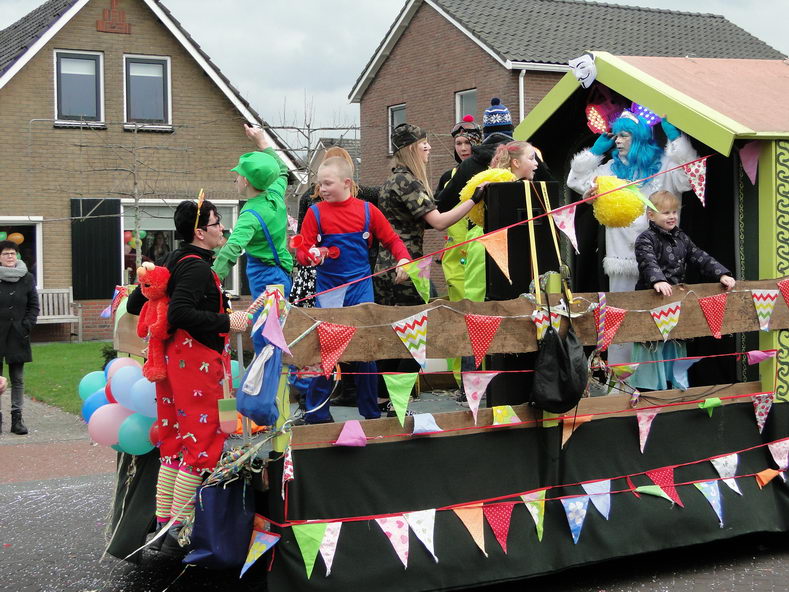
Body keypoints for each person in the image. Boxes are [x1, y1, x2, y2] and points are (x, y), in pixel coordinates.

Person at [127, 200, 249, 551]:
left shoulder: (170, 260)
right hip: (196, 364)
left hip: (171, 362)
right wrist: (228, 320)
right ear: (199, 231)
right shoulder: (195, 267)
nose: (222, 228)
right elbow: (180, 313)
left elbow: (136, 303)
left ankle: (163, 526)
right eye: (216, 222)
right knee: (201, 443)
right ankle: (178, 530)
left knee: (175, 443)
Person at [567, 111, 697, 364]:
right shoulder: (608, 171)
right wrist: (594, 152)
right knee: (621, 316)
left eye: (624, 135)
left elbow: (688, 179)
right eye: (616, 135)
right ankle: (622, 374)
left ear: (639, 138)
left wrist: (676, 140)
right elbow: (576, 180)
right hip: (622, 258)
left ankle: (657, 376)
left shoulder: (664, 165)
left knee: (661, 317)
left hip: (661, 259)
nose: (617, 140)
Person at [374, 123, 484, 412]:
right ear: (411, 148)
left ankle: (384, 400)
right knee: (413, 338)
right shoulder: (407, 181)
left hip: (389, 265)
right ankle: (393, 402)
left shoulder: (393, 180)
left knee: (394, 336)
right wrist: (474, 200)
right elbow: (438, 221)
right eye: (423, 143)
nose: (429, 147)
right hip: (405, 268)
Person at [296, 157, 411, 424]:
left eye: (327, 183)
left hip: (360, 288)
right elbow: (301, 251)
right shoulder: (315, 212)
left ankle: (371, 414)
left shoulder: (368, 211)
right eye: (319, 184)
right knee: (327, 352)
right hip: (328, 290)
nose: (322, 189)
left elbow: (392, 239)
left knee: (365, 351)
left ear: (347, 182)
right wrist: (311, 255)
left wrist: (404, 259)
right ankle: (316, 415)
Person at [630, 191, 734, 391]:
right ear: (651, 215)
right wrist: (658, 280)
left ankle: (675, 386)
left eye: (674, 212)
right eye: (665, 212)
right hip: (652, 301)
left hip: (674, 302)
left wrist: (721, 274)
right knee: (653, 344)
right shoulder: (645, 239)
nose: (672, 216)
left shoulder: (681, 238)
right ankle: (649, 389)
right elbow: (647, 261)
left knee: (675, 342)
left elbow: (700, 256)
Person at [213, 124, 292, 351]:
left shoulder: (250, 215)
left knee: (265, 336)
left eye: (238, 175)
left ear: (246, 181)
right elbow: (283, 171)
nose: (236, 178)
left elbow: (232, 249)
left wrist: (211, 279)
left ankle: (267, 373)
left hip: (265, 275)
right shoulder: (275, 193)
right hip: (282, 273)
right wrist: (262, 142)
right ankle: (274, 371)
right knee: (276, 331)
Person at [436, 115, 482, 302]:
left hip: (479, 247)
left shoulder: (487, 173)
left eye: (467, 143)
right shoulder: (448, 177)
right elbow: (437, 208)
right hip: (455, 252)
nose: (463, 148)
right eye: (458, 143)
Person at [0, 240, 39, 435]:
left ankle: (17, 419)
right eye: (5, 253)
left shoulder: (27, 277)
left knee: (17, 378)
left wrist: (26, 325)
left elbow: (34, 305)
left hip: (18, 334)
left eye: (12, 253)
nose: (10, 256)